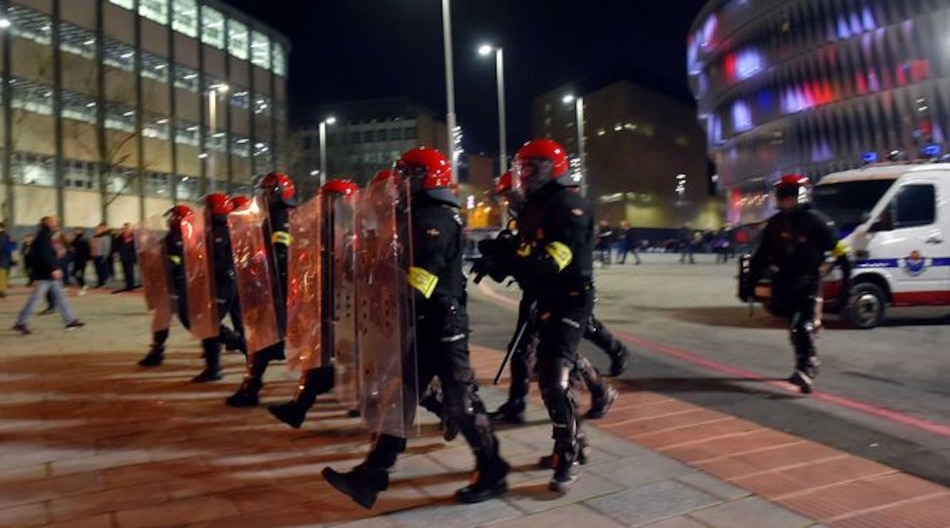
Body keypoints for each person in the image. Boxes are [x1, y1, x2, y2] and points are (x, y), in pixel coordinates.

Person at [323, 147, 509, 509]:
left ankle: (494, 470)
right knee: (399, 398)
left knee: (463, 402)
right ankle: (371, 476)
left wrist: (382, 294)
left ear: (428, 178)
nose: (398, 182)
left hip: (442, 325)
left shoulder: (433, 220)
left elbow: (420, 282)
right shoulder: (412, 215)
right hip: (422, 323)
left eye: (407, 174)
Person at [475, 171, 626, 433]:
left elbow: (549, 258)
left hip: (564, 293)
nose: (509, 203)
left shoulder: (554, 211)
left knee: (556, 351)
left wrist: (514, 261)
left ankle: (601, 382)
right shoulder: (527, 216)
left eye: (511, 196)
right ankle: (594, 392)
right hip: (538, 292)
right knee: (541, 351)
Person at [512, 138, 597, 492]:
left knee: (552, 377)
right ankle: (577, 440)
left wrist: (526, 262)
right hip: (546, 297)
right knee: (547, 372)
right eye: (524, 166)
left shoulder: (570, 204)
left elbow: (557, 254)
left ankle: (567, 452)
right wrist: (503, 257)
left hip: (572, 299)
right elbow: (527, 247)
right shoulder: (534, 204)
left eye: (534, 166)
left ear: (553, 167)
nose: (526, 173)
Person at [739, 174, 851, 394]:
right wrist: (750, 282)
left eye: (790, 196)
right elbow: (762, 255)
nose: (786, 201)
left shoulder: (817, 221)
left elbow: (840, 253)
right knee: (794, 327)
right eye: (783, 196)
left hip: (808, 281)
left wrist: (846, 284)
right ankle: (804, 363)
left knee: (802, 324)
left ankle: (807, 368)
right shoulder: (775, 223)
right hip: (784, 282)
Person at [268, 178, 358, 429]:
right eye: (324, 199)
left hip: (351, 306)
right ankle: (299, 406)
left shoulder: (356, 228)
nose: (326, 204)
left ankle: (439, 406)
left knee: (353, 361)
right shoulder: (319, 228)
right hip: (325, 303)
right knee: (318, 356)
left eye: (332, 199)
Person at [226, 172, 297, 407]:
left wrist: (261, 272)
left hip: (278, 290)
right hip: (277, 289)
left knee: (264, 339)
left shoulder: (281, 217)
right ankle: (252, 386)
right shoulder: (275, 215)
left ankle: (251, 388)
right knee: (266, 340)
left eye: (268, 191)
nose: (264, 196)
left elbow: (281, 254)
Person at [12, 216, 85, 335]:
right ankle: (21, 322)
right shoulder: (44, 236)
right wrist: (54, 268)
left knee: (61, 297)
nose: (56, 223)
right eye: (53, 221)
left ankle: (70, 320)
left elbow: (50, 253)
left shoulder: (46, 235)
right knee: (35, 299)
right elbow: (46, 254)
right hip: (46, 274)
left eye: (56, 221)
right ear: (47, 223)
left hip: (48, 274)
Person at [114, 223, 137, 292]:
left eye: (126, 228)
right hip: (123, 256)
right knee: (125, 271)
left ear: (130, 229)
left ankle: (131, 285)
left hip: (130, 257)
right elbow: (116, 245)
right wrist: (118, 236)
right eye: (124, 228)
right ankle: (127, 285)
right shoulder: (121, 237)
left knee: (130, 272)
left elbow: (135, 248)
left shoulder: (134, 237)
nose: (125, 230)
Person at [70, 227, 92, 294]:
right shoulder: (76, 239)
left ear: (82, 231)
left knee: (80, 273)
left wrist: (88, 259)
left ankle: (83, 287)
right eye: (75, 230)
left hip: (83, 259)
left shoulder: (84, 239)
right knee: (74, 273)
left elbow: (88, 250)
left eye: (78, 230)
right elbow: (72, 245)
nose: (76, 231)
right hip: (77, 258)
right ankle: (83, 285)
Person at [91, 223, 112, 288]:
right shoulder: (95, 236)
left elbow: (107, 247)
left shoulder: (106, 237)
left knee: (103, 270)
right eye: (97, 229)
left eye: (99, 229)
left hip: (102, 255)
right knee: (97, 270)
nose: (97, 230)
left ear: (103, 229)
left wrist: (105, 256)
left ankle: (104, 283)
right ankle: (100, 283)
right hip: (95, 255)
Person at [0, 222, 13, 297]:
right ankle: (2, 290)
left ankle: (2, 291)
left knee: (2, 275)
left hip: (3, 258)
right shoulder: (7, 236)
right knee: (3, 275)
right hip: (5, 259)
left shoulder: (4, 236)